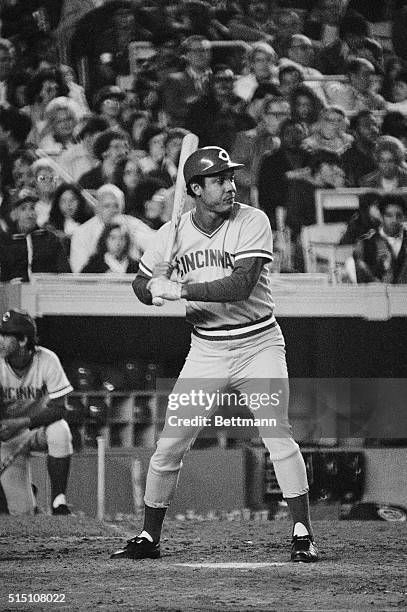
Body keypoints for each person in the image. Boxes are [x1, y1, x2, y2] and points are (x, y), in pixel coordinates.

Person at [110, 146, 318, 563]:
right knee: (169, 444)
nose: (230, 186)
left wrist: (182, 289)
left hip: (258, 343)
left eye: (230, 177)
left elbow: (240, 285)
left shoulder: (252, 219)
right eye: (219, 180)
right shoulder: (171, 232)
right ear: (195, 189)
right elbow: (140, 282)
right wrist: (152, 292)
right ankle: (149, 536)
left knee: (277, 435)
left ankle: (302, 532)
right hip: (206, 348)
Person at [0, 309, 73, 516]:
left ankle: (59, 501)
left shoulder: (47, 359)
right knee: (22, 513)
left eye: (6, 335)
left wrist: (21, 423)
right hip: (7, 438)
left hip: (36, 430)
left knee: (60, 430)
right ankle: (30, 500)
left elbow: (60, 407)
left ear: (23, 340)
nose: (1, 339)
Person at [69, 183, 154, 273]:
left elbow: (155, 246)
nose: (113, 210)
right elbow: (79, 272)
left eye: (116, 206)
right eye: (107, 206)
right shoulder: (81, 232)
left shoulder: (134, 225)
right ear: (97, 209)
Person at [0, 188, 71, 282]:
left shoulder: (49, 239)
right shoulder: (5, 241)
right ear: (14, 213)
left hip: (45, 292)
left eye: (32, 208)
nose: (30, 214)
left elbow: (65, 273)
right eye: (23, 209)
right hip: (14, 293)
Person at [353, 193, 407, 283]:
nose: (394, 220)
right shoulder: (366, 244)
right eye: (389, 215)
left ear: (404, 217)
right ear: (381, 217)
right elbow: (361, 277)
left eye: (399, 216)